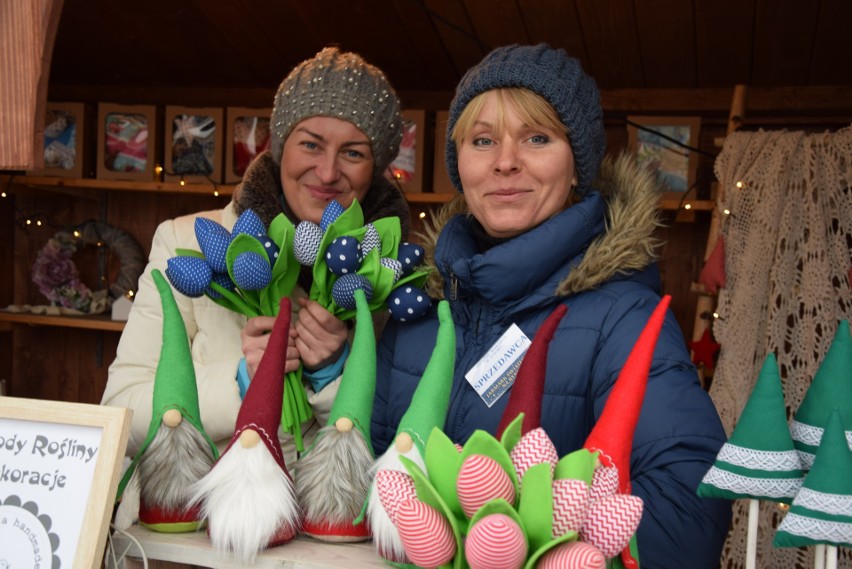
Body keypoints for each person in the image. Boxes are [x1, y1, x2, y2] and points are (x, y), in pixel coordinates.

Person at [370, 44, 731, 568]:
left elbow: (690, 500)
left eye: (537, 138)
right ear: (460, 163)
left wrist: (545, 552)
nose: (505, 162)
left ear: (577, 164)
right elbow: (371, 470)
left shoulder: (621, 316)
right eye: (482, 140)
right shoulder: (421, 304)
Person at [103, 46, 410, 525]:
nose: (328, 173)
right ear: (278, 144)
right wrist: (242, 380)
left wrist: (335, 376)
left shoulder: (395, 279)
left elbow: (404, 443)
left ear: (378, 167)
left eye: (353, 152)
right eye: (310, 144)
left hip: (324, 543)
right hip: (190, 537)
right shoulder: (185, 243)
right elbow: (120, 414)